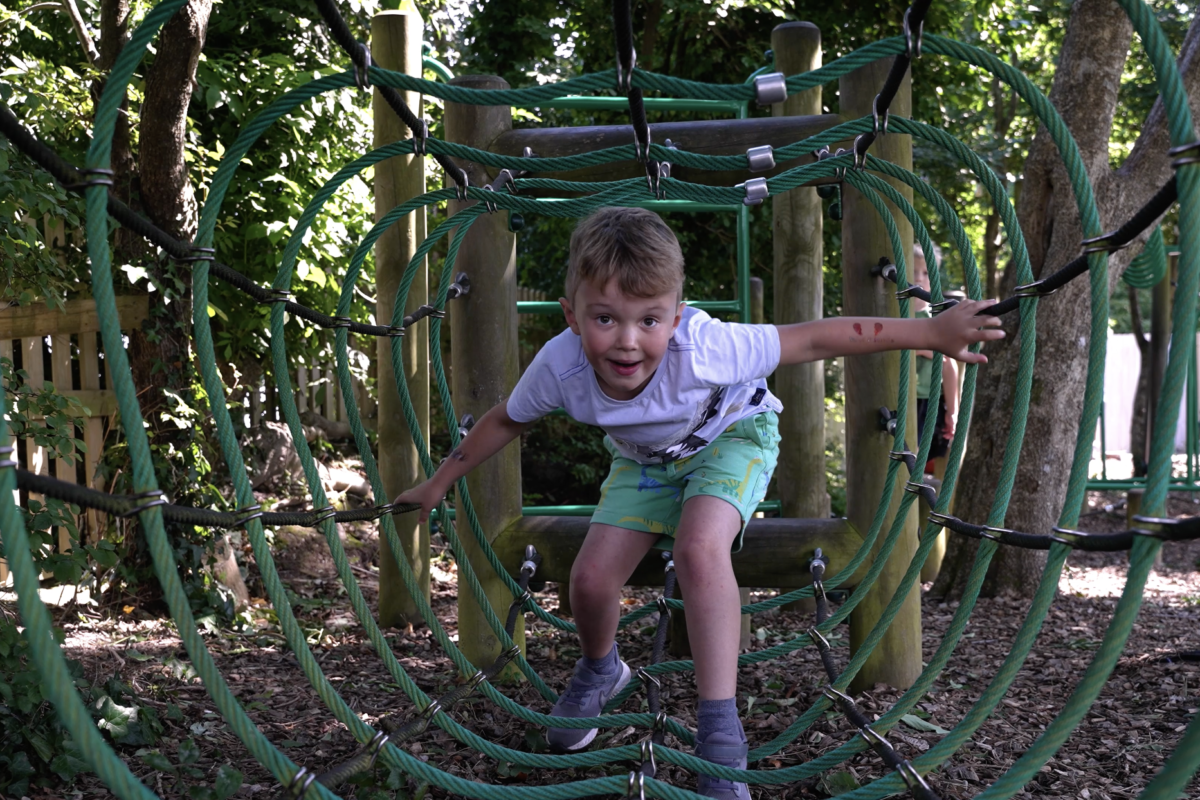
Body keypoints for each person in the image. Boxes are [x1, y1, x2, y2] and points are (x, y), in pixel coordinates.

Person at [395, 208, 1001, 800]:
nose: (627, 340)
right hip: (645, 462)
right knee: (589, 580)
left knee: (698, 549)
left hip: (732, 437)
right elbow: (505, 420)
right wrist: (438, 483)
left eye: (649, 320)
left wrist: (929, 333)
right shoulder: (560, 365)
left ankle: (720, 730)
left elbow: (815, 338)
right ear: (571, 315)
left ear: (676, 317)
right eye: (605, 318)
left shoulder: (707, 347)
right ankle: (602, 668)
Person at [911, 242, 960, 477]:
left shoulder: (938, 317)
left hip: (929, 400)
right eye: (913, 271)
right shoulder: (894, 315)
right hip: (901, 397)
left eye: (926, 273)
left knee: (922, 453)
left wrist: (952, 409)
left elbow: (949, 364)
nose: (919, 278)